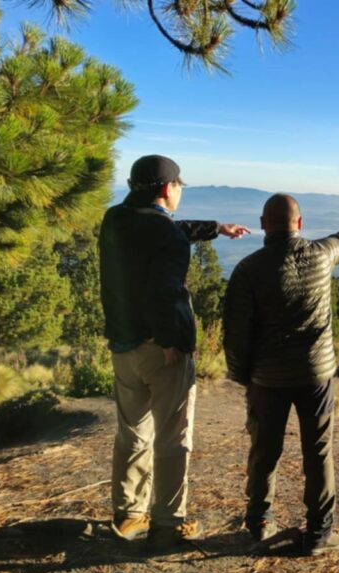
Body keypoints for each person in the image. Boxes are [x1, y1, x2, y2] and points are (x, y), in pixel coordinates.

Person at [99, 154, 250, 549]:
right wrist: (170, 339)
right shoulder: (162, 233)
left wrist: (216, 228)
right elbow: (164, 287)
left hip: (123, 346)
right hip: (161, 351)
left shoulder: (115, 219)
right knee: (172, 436)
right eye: (180, 185)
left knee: (132, 432)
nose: (180, 190)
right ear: (168, 188)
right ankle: (167, 524)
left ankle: (129, 514)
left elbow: (167, 231)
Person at [223, 193, 339, 555]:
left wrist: (242, 375)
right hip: (315, 375)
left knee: (264, 450)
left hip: (267, 378)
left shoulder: (248, 270)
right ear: (301, 224)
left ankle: (259, 521)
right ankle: (320, 533)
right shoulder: (320, 256)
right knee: (319, 452)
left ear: (262, 225)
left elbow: (235, 332)